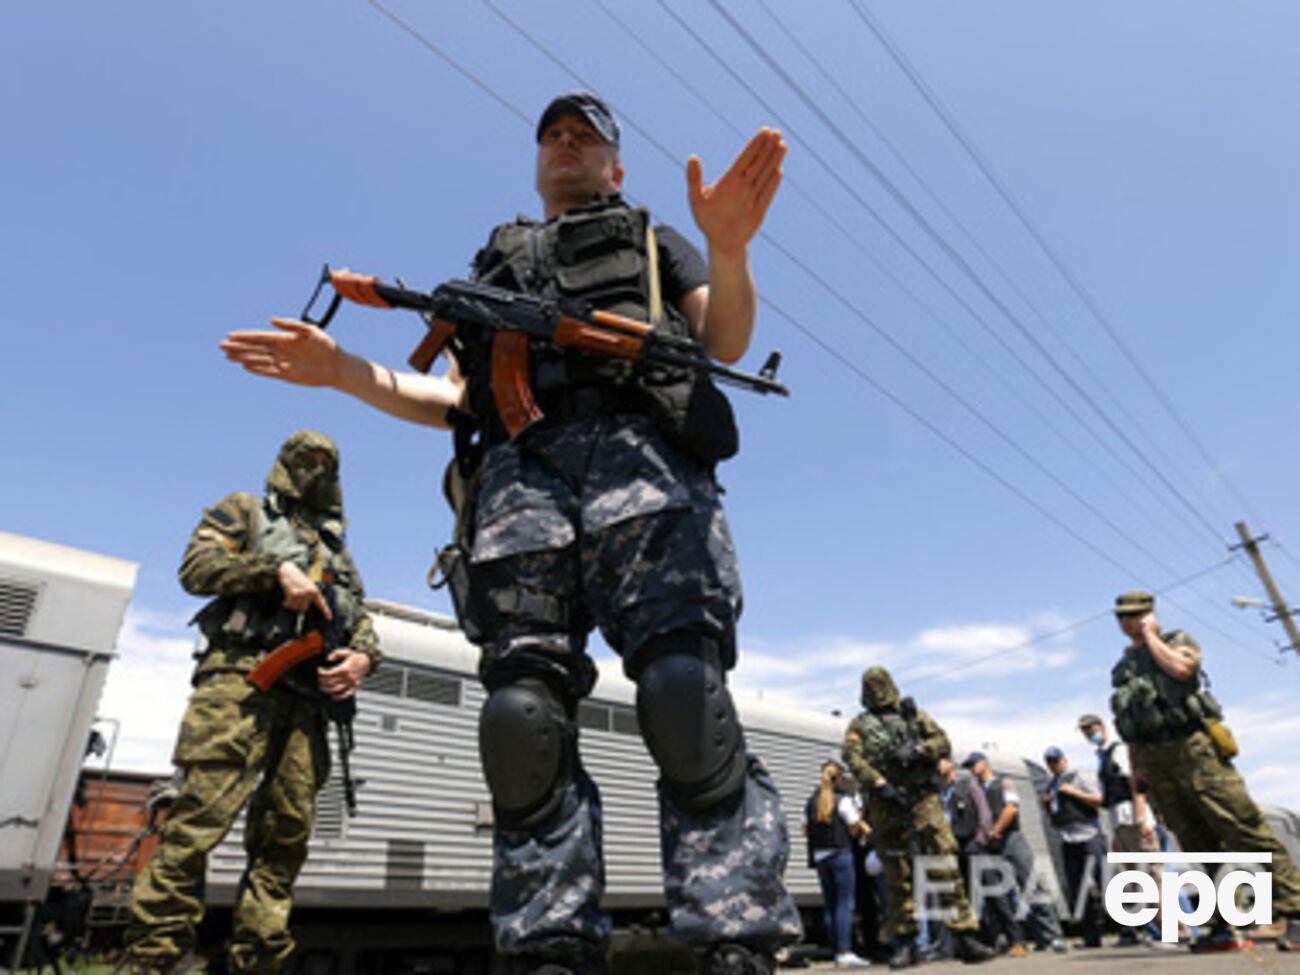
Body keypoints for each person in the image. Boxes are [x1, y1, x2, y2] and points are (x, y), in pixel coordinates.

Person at [220, 92, 800, 974]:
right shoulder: (496, 264)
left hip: (644, 466)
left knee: (685, 694)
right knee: (519, 716)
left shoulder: (652, 240)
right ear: (538, 161)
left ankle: (734, 938)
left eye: (587, 137)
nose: (566, 145)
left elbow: (720, 338)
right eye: (552, 136)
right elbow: (456, 397)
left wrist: (728, 243)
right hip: (519, 482)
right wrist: (343, 370)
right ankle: (547, 947)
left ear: (615, 165)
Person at [121, 432, 380, 974]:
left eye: (325, 465)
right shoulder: (245, 512)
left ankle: (259, 961)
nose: (314, 472)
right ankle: (152, 961)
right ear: (283, 465)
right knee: (194, 828)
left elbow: (361, 622)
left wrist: (362, 660)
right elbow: (197, 567)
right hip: (239, 686)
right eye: (304, 461)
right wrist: (271, 573)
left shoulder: (336, 549)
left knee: (285, 841)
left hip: (307, 702)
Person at [1109, 590, 1300, 953]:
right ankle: (1221, 927)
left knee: (1246, 832)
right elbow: (1131, 724)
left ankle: (1297, 912)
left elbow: (1182, 669)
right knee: (1197, 844)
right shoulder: (1124, 668)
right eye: (1122, 617)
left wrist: (1151, 638)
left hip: (1196, 753)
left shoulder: (1176, 642)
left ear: (1150, 614)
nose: (1128, 622)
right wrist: (1138, 773)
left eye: (1136, 615)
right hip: (1157, 760)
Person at [841, 667, 994, 968]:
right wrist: (878, 783)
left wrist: (918, 750)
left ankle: (964, 937)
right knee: (897, 875)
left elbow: (943, 742)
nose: (877, 692)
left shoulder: (913, 714)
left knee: (943, 864)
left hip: (923, 800)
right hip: (887, 804)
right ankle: (906, 943)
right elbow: (852, 757)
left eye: (879, 685)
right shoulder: (859, 724)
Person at [963, 752, 1068, 954]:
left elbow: (1011, 809)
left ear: (985, 763)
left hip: (1011, 838)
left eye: (974, 764)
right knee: (1001, 895)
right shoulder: (975, 791)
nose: (971, 769)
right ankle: (1025, 938)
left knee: (1031, 885)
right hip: (990, 846)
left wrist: (995, 831)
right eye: (969, 766)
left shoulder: (1003, 783)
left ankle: (1054, 936)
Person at [1077, 712, 1162, 944]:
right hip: (1120, 823)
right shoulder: (1102, 756)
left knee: (1152, 877)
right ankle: (1149, 930)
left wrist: (1142, 819)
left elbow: (1137, 784)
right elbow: (1108, 798)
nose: (1088, 733)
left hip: (1134, 819)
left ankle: (1173, 930)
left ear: (1101, 727)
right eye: (1085, 731)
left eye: (1091, 729)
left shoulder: (1119, 751)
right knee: (1133, 881)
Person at [938, 758, 1027, 959]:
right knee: (964, 898)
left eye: (941, 761)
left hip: (972, 844)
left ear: (951, 764)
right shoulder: (937, 791)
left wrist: (980, 839)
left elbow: (984, 813)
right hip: (951, 849)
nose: (938, 766)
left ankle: (1017, 940)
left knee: (995, 893)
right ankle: (975, 943)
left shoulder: (967, 784)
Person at [804, 759, 872, 969]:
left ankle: (836, 951)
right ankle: (845, 952)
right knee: (844, 903)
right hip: (840, 854)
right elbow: (853, 826)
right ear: (839, 777)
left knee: (830, 904)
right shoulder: (842, 800)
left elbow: (805, 830)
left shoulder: (810, 802)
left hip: (820, 857)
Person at [1041, 747, 1106, 948]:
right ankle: (1091, 938)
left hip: (1090, 837)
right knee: (1079, 892)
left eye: (1057, 760)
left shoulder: (1081, 777)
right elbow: (1055, 813)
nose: (1054, 764)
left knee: (1105, 884)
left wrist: (1073, 792)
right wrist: (1046, 805)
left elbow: (1099, 800)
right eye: (1050, 762)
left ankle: (1129, 929)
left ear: (1064, 760)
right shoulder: (1052, 785)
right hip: (1068, 840)